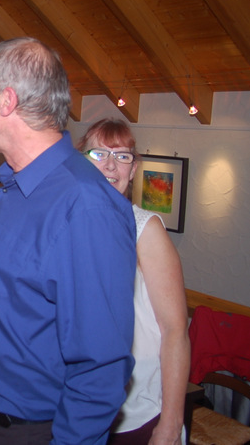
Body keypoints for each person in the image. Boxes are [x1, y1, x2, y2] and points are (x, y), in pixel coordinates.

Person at [0, 37, 137, 444]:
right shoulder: (17, 185)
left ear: (7, 101)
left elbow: (100, 366)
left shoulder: (85, 206)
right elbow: (33, 290)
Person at [77, 119, 190, 445]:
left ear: (133, 169)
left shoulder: (145, 229)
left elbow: (175, 331)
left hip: (138, 413)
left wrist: (170, 425)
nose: (111, 165)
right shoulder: (71, 225)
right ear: (80, 162)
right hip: (82, 408)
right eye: (99, 154)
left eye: (122, 156)